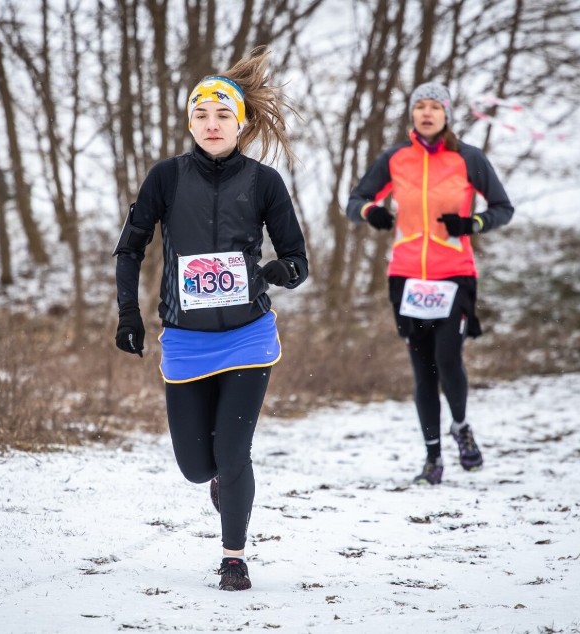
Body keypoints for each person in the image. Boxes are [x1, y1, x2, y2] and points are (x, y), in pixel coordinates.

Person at [113, 47, 308, 591]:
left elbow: (298, 260)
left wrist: (274, 274)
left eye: (223, 114)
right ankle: (218, 479)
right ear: (190, 122)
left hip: (249, 335)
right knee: (198, 466)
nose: (211, 123)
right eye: (201, 114)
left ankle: (234, 557)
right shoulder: (166, 178)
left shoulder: (264, 182)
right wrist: (129, 312)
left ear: (240, 123)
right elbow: (130, 248)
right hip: (186, 339)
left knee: (233, 451)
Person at [345, 82, 514, 486]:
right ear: (412, 114)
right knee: (423, 369)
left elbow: (503, 209)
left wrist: (472, 223)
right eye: (419, 106)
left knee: (448, 358)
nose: (426, 112)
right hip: (406, 276)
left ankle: (460, 425)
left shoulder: (468, 158)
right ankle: (432, 458)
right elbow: (354, 202)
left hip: (454, 273)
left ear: (446, 114)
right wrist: (372, 213)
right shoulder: (395, 158)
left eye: (434, 106)